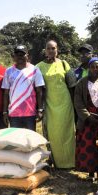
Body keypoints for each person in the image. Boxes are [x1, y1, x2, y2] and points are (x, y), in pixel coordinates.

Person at [37, 40, 76, 169]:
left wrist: (74, 105)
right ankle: (54, 160)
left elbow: (71, 85)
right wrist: (40, 107)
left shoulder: (64, 64)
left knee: (67, 133)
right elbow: (38, 89)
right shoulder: (39, 67)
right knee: (52, 134)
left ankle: (70, 162)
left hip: (65, 104)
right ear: (45, 50)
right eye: (48, 48)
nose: (51, 51)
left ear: (57, 50)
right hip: (49, 105)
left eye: (53, 48)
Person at [74, 57, 98, 179]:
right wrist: (87, 116)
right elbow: (78, 102)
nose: (95, 69)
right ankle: (90, 172)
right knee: (88, 146)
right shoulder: (81, 83)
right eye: (92, 66)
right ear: (89, 68)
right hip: (87, 121)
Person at [1, 45, 45, 131]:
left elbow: (39, 91)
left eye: (22, 54)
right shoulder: (8, 71)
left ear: (27, 56)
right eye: (17, 54)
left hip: (30, 114)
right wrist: (5, 112)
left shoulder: (35, 70)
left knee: (30, 141)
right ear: (14, 57)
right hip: (14, 114)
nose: (20, 57)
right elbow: (6, 93)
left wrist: (40, 110)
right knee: (16, 142)